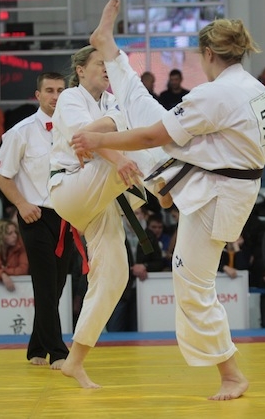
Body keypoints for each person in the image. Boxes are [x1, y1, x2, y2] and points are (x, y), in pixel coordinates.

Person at [70, 0, 265, 399]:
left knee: (192, 283)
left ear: (208, 54)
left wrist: (99, 140)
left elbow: (150, 137)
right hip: (215, 175)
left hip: (217, 192)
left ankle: (232, 375)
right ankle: (108, 48)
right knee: (143, 107)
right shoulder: (254, 87)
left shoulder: (217, 95)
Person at [44, 42, 166, 390]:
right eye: (100, 63)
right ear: (81, 70)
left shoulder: (111, 101)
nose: (106, 69)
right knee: (134, 125)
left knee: (115, 276)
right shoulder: (70, 98)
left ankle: (75, 360)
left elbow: (92, 138)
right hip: (70, 187)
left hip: (101, 198)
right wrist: (116, 151)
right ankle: (169, 185)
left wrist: (104, 135)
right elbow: (85, 141)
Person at [0, 71, 75, 369]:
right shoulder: (21, 131)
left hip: (67, 215)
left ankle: (36, 347)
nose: (56, 96)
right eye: (50, 90)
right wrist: (21, 203)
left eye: (61, 90)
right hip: (35, 215)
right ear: (38, 95)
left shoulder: (74, 130)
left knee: (57, 285)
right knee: (45, 285)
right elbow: (2, 174)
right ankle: (59, 352)